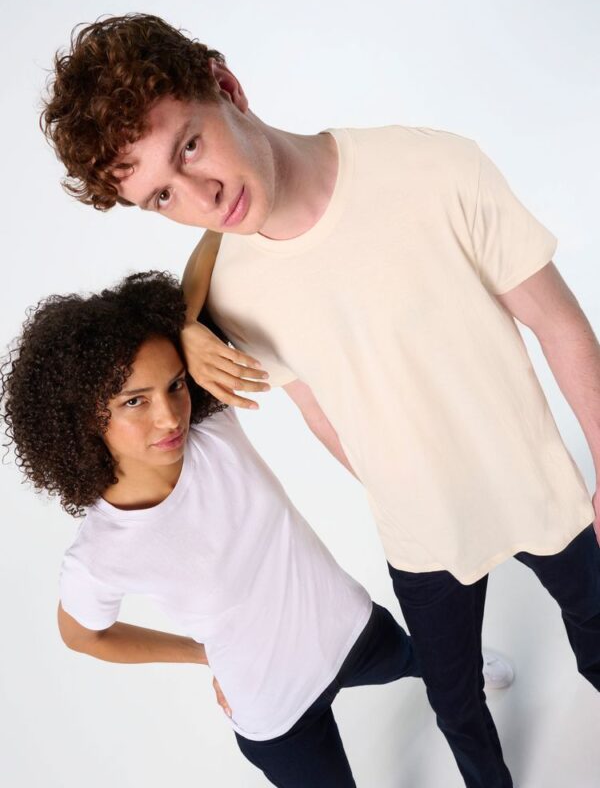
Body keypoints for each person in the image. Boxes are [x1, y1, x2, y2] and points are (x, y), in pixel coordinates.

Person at [40, 14, 600, 788]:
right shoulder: (228, 294)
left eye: (191, 146)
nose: (201, 197)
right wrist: (185, 323)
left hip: (543, 488)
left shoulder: (431, 167)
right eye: (163, 195)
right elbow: (311, 408)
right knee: (454, 704)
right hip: (418, 537)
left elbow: (561, 325)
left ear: (227, 86)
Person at [0, 270, 423, 787]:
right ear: (83, 416)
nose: (170, 417)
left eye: (175, 385)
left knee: (429, 662)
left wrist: (187, 328)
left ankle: (468, 679)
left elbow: (218, 245)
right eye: (134, 400)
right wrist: (201, 655)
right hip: (276, 712)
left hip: (352, 630)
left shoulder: (212, 421)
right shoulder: (99, 554)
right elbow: (84, 636)